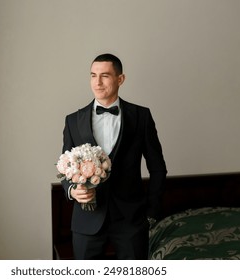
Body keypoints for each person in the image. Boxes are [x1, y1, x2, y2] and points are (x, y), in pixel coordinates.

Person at [61, 53, 167, 259]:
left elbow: (158, 167)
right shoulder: (73, 120)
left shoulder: (141, 116)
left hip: (131, 220)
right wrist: (72, 190)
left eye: (105, 76)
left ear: (120, 79)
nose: (97, 82)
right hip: (86, 219)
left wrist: (152, 212)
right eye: (93, 75)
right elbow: (64, 167)